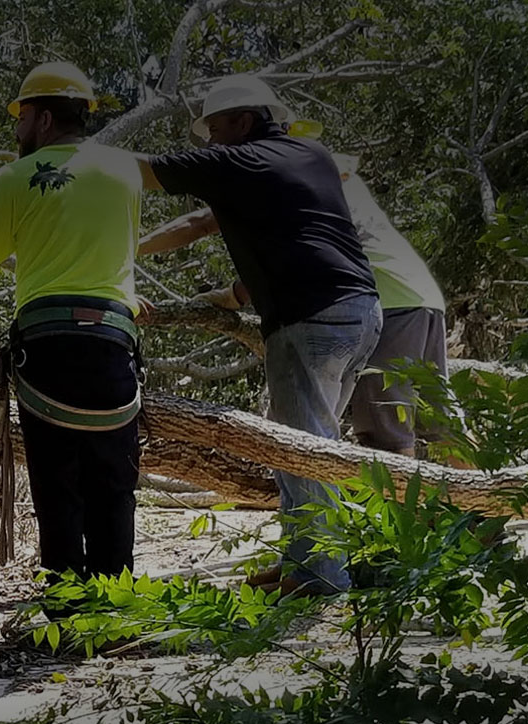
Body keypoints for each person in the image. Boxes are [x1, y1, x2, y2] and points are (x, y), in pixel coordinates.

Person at [134, 75, 382, 596]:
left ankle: (320, 577)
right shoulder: (309, 155)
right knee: (312, 445)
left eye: (216, 128)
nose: (210, 141)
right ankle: (306, 559)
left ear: (244, 122)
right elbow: (244, 225)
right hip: (359, 310)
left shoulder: (238, 161)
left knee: (302, 451)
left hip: (309, 319)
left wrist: (71, 168)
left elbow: (144, 173)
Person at [0, 61, 147, 581]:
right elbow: (115, 250)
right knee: (113, 487)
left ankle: (64, 611)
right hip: (112, 345)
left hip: (48, 350)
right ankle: (115, 615)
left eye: (21, 118)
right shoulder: (125, 172)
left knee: (57, 491)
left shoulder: (15, 179)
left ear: (41, 119)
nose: (16, 130)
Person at [139, 153, 455, 458]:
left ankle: (400, 512)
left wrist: (131, 247)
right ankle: (483, 501)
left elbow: (206, 223)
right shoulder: (327, 180)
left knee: (384, 430)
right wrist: (234, 293)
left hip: (389, 302)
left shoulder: (294, 184)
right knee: (441, 421)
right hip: (421, 295)